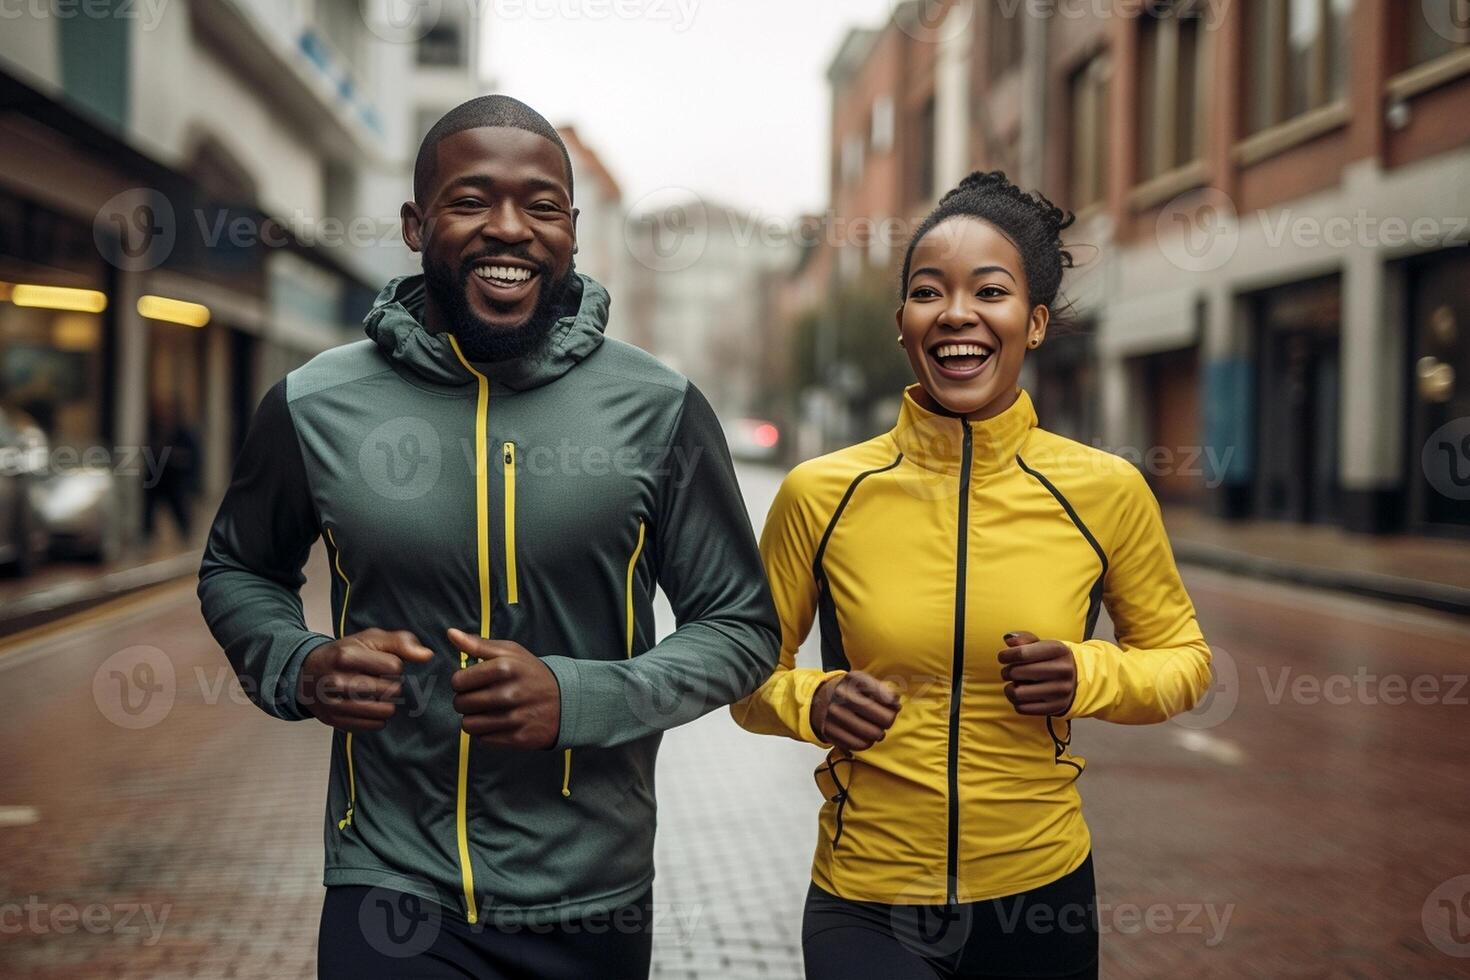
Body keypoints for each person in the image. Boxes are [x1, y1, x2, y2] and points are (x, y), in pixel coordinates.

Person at [197, 95, 780, 979]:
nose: (509, 228)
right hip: (389, 882)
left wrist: (580, 699)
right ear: (414, 222)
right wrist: (300, 664)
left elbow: (741, 626)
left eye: (541, 206)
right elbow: (239, 567)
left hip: (591, 893)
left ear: (573, 231)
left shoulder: (658, 407)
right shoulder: (316, 404)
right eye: (471, 201)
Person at [731, 170, 1213, 980]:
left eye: (989, 291)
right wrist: (814, 700)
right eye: (929, 292)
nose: (956, 313)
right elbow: (745, 677)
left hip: (1039, 895)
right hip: (869, 898)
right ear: (904, 325)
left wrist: (1086, 674)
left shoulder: (1105, 490)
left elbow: (1185, 660)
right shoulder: (823, 491)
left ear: (1035, 322)